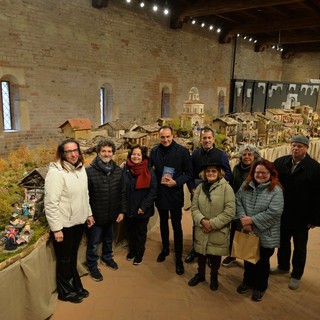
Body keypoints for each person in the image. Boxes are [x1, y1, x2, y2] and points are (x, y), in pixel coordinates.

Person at [45, 138, 94, 303]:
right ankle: (65, 291)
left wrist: (88, 213)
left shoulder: (80, 169)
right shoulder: (56, 173)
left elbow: (84, 194)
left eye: (75, 150)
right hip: (64, 224)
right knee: (64, 259)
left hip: (78, 222)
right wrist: (56, 229)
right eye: (69, 151)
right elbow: (51, 203)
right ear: (62, 154)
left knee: (72, 256)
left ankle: (75, 285)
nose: (73, 154)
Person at [271, 135, 320, 290]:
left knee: (300, 247)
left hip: (302, 216)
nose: (296, 148)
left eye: (299, 146)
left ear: (307, 148)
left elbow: (318, 195)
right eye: (294, 145)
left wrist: (315, 218)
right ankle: (283, 266)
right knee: (283, 242)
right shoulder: (280, 162)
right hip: (283, 212)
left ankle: (296, 275)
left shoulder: (315, 167)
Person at [236, 159, 284, 302]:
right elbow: (238, 201)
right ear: (253, 172)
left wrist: (252, 220)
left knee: (262, 262)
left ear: (271, 173)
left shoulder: (276, 190)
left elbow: (275, 212)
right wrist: (244, 220)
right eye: (257, 172)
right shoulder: (246, 185)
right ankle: (248, 281)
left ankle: (260, 286)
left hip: (266, 233)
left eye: (264, 173)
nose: (260, 175)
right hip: (247, 229)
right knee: (248, 258)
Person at [185, 126, 232, 264]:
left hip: (216, 196)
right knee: (197, 222)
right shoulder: (195, 155)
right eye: (204, 138)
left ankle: (211, 253)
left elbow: (228, 173)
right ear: (200, 139)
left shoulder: (221, 154)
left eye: (209, 138)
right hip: (198, 193)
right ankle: (196, 249)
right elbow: (190, 174)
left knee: (213, 223)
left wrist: (218, 186)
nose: (206, 140)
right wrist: (192, 189)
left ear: (213, 139)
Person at [150, 126, 193, 275]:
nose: (165, 140)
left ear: (172, 136)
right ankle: (165, 248)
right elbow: (149, 170)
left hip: (175, 193)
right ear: (159, 138)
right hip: (161, 194)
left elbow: (189, 173)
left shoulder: (182, 151)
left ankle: (179, 257)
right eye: (163, 137)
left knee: (176, 225)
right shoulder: (154, 151)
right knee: (162, 222)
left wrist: (177, 182)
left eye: (168, 137)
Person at [188, 161, 235, 291]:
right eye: (208, 171)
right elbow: (194, 207)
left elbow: (230, 211)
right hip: (202, 227)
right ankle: (201, 274)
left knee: (215, 254)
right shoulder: (199, 188)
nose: (210, 173)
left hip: (217, 229)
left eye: (214, 171)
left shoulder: (227, 188)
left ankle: (214, 275)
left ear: (219, 173)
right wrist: (202, 221)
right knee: (201, 253)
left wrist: (212, 224)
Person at [86, 139, 127, 281]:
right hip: (96, 216)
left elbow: (122, 192)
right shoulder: (89, 172)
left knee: (109, 239)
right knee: (93, 244)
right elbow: (85, 196)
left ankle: (107, 257)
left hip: (112, 214)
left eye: (109, 151)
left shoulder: (117, 171)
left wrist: (122, 211)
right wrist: (89, 214)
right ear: (98, 152)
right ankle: (92, 265)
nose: (107, 154)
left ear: (113, 153)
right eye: (103, 151)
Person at [222, 144, 260, 267]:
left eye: (249, 154)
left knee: (248, 233)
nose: (247, 157)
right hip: (237, 204)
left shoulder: (258, 169)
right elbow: (233, 185)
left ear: (255, 156)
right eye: (244, 154)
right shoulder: (237, 168)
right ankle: (232, 254)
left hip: (252, 206)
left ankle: (247, 258)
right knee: (234, 230)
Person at [122, 145, 157, 265]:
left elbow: (153, 191)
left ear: (143, 156)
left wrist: (144, 206)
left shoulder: (149, 170)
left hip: (142, 208)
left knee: (140, 232)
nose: (135, 157)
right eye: (134, 154)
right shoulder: (125, 168)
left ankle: (139, 253)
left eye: (138, 154)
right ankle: (132, 250)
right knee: (130, 231)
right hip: (129, 207)